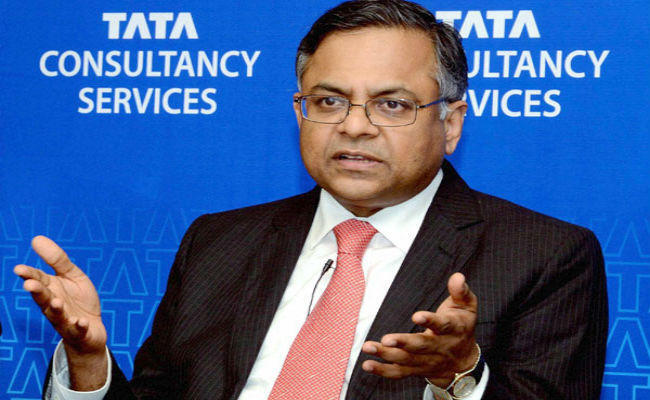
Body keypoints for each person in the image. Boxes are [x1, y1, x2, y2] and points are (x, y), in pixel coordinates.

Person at [14, 1, 608, 399]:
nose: (354, 125)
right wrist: (89, 362)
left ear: (450, 124)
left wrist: (459, 376)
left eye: (392, 104)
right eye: (328, 101)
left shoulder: (544, 255)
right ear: (300, 112)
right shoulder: (218, 241)